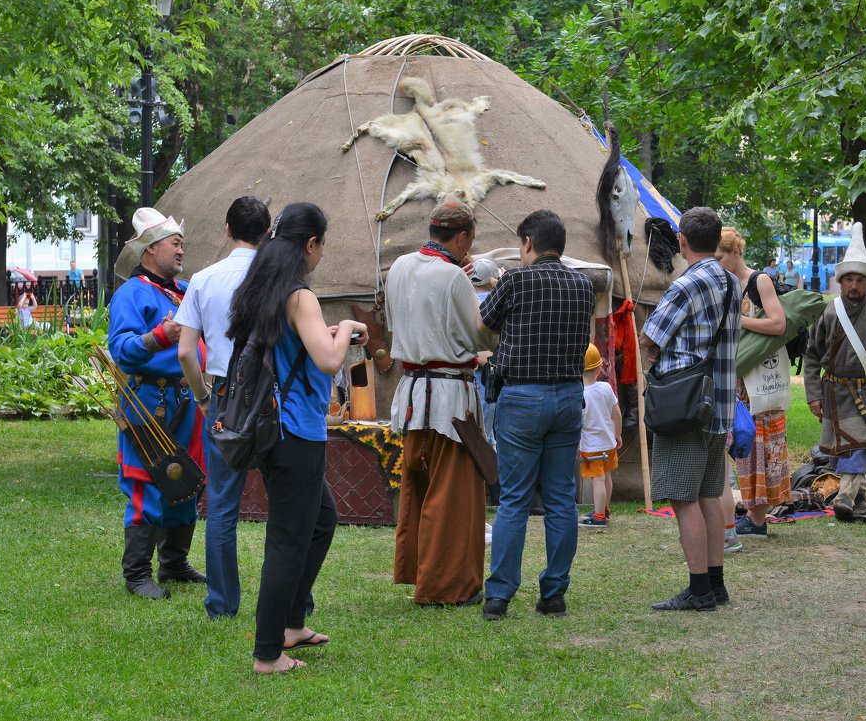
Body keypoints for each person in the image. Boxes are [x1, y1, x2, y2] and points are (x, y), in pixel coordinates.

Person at [227, 202, 367, 674]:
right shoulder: (299, 295)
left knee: (322, 519)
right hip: (296, 434)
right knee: (287, 541)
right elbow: (330, 361)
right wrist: (346, 328)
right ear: (310, 244)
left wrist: (326, 336)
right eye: (321, 245)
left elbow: (298, 349)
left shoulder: (261, 290)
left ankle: (291, 625)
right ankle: (268, 653)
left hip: (271, 432)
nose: (321, 253)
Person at [478, 210, 595, 621]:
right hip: (568, 395)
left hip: (522, 397)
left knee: (514, 498)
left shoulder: (514, 279)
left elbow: (484, 322)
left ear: (526, 242)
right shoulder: (584, 284)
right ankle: (554, 593)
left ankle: (499, 596)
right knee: (562, 498)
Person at [385, 201, 496, 607]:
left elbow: (398, 324)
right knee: (453, 495)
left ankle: (422, 574)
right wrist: (493, 295)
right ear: (463, 236)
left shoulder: (398, 267)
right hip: (450, 398)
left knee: (420, 486)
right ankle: (447, 586)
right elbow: (482, 338)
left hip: (414, 392)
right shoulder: (454, 278)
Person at [640, 207, 741, 611]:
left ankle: (698, 589)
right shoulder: (732, 283)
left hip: (684, 406)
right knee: (709, 496)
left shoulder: (685, 285)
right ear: (718, 241)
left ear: (682, 241)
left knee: (683, 499)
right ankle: (716, 585)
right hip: (719, 407)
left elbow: (650, 339)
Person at [175, 195, 271, 620]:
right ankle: (292, 600)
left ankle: (222, 605)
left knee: (221, 506)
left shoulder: (203, 278)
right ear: (266, 233)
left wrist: (200, 396)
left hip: (223, 395)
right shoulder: (277, 278)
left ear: (227, 230)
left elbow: (184, 353)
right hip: (272, 395)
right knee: (289, 501)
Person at [109, 208, 206, 600]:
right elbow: (122, 350)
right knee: (145, 481)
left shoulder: (183, 292)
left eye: (182, 243)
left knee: (185, 479)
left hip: (188, 399)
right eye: (175, 243)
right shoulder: (131, 294)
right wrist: (161, 336)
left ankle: (174, 563)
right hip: (148, 402)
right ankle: (136, 574)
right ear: (151, 250)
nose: (181, 250)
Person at [803, 223, 866, 521]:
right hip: (834, 392)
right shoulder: (828, 312)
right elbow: (811, 356)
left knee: (859, 445)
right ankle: (860, 501)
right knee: (843, 449)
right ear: (841, 281)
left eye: (859, 280)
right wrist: (813, 395)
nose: (854, 286)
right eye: (848, 279)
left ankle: (845, 497)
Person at [715, 228, 791, 540]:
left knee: (760, 443)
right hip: (737, 380)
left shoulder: (758, 281)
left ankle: (757, 518)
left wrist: (738, 320)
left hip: (759, 379)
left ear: (735, 252)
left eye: (720, 256)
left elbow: (778, 323)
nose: (716, 262)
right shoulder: (725, 283)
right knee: (744, 441)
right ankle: (752, 512)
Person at [576, 344, 621, 529]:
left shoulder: (580, 395)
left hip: (592, 446)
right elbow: (616, 413)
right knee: (607, 477)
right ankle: (605, 509)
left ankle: (599, 516)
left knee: (598, 480)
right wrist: (617, 434)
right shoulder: (605, 388)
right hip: (609, 442)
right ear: (599, 367)